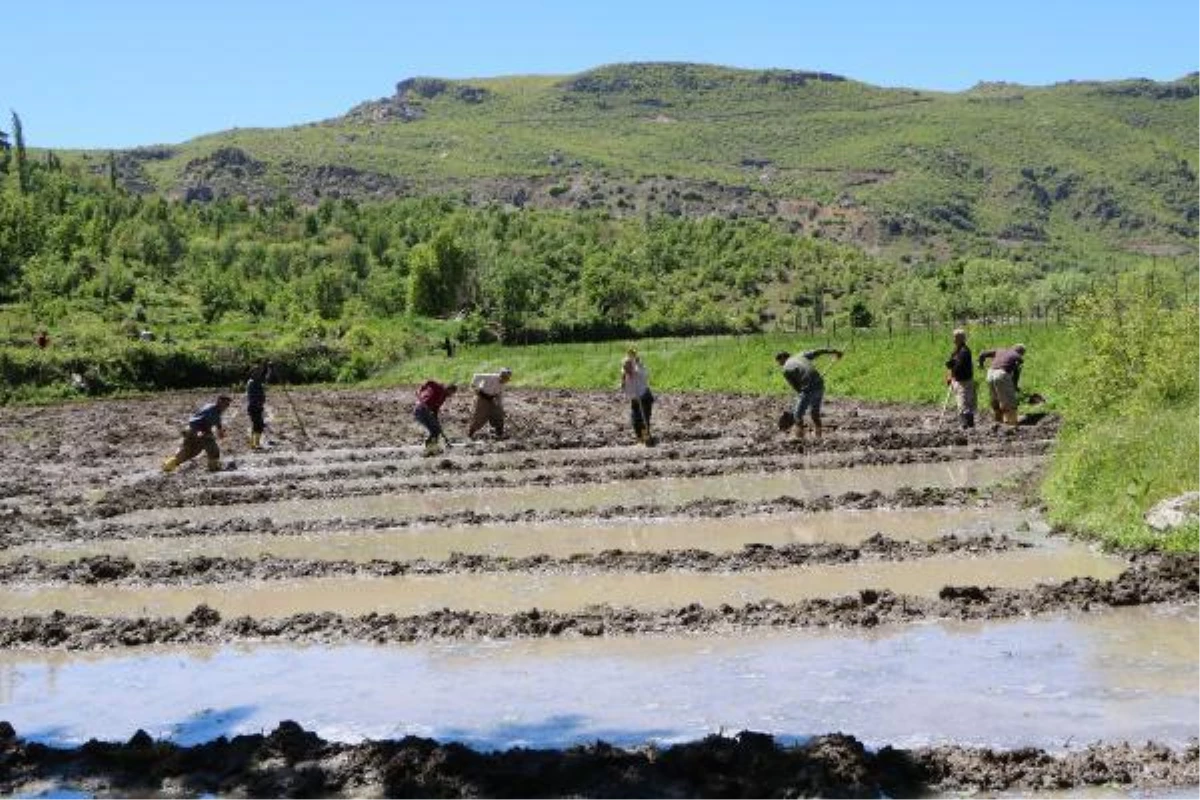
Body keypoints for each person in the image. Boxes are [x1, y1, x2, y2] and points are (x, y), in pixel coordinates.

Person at [775, 348, 843, 440]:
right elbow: (818, 351)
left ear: (783, 358)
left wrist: (799, 403)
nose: (780, 364)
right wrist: (835, 351)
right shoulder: (801, 355)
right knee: (815, 413)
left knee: (797, 415)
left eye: (779, 362)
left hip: (808, 388)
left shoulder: (786, 369)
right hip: (819, 385)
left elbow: (797, 388)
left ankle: (800, 438)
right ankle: (818, 437)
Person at [163, 395, 232, 473]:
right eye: (226, 404)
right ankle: (214, 468)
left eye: (228, 405)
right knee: (212, 448)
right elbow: (198, 422)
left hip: (190, 429)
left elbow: (217, 421)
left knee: (189, 452)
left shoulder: (212, 407)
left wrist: (220, 431)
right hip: (197, 430)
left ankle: (168, 465)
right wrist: (203, 433)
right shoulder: (212, 412)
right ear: (219, 401)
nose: (227, 407)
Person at [978, 344, 1026, 426]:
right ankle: (1012, 423)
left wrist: (981, 364)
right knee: (1009, 400)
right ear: (1021, 352)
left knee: (995, 399)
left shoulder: (1000, 350)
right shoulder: (1018, 357)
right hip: (1001, 374)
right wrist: (1014, 386)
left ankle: (998, 422)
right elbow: (1016, 373)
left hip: (990, 374)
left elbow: (982, 353)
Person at [621, 348, 654, 445]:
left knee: (644, 419)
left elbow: (644, 372)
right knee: (635, 420)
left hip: (645, 398)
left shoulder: (639, 372)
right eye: (625, 367)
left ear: (632, 366)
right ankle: (640, 438)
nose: (627, 369)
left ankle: (646, 438)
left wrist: (637, 361)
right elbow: (625, 390)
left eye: (629, 367)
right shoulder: (625, 377)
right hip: (635, 400)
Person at [414, 379, 457, 455]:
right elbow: (429, 382)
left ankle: (431, 448)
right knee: (435, 431)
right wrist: (421, 389)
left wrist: (436, 421)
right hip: (421, 410)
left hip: (425, 412)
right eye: (452, 393)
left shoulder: (443, 398)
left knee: (436, 431)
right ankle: (430, 447)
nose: (451, 395)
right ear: (449, 389)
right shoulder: (439, 387)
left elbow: (435, 410)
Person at [944, 329, 976, 429]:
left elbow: (958, 366)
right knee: (963, 402)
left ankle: (966, 424)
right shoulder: (955, 351)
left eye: (955, 337)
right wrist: (949, 375)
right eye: (953, 337)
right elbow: (951, 364)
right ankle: (966, 424)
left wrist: (952, 371)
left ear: (961, 339)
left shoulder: (964, 351)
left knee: (965, 402)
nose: (953, 339)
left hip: (964, 380)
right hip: (958, 380)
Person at [468, 367, 512, 439]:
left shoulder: (503, 384)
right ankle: (470, 433)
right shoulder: (490, 377)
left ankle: (499, 434)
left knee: (498, 415)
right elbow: (476, 376)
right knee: (480, 417)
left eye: (507, 379)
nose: (505, 381)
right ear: (501, 376)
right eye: (505, 378)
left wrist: (500, 406)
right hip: (482, 397)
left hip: (492, 399)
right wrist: (474, 386)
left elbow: (500, 395)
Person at [246, 362, 272, 449]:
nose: (258, 373)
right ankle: (253, 443)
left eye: (259, 372)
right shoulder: (252, 382)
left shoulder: (257, 381)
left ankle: (255, 443)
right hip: (254, 407)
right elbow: (254, 396)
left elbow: (266, 379)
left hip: (258, 407)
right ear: (252, 373)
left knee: (259, 425)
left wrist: (269, 369)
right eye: (256, 372)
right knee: (257, 424)